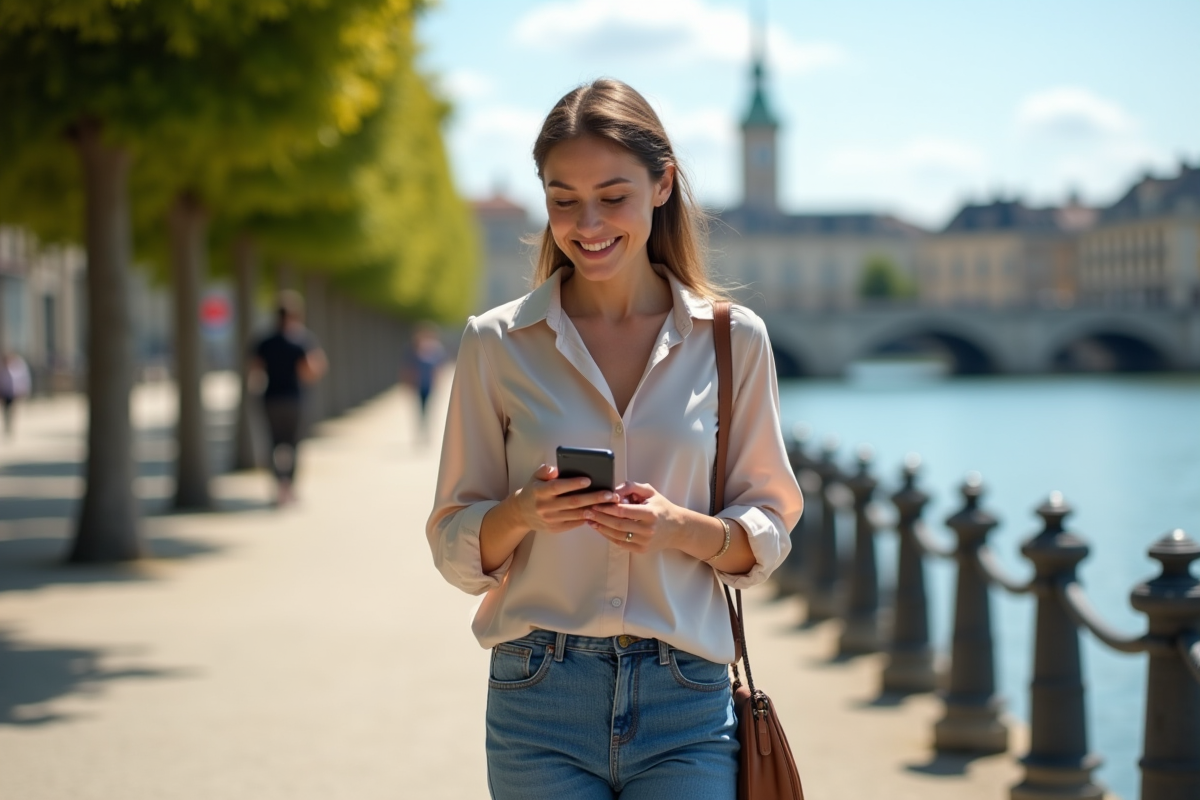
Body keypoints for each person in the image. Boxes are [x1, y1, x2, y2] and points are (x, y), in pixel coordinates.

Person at [426, 79, 803, 799]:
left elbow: (771, 523)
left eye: (613, 195)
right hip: (538, 693)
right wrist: (521, 514)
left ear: (662, 185)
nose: (587, 222)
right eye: (562, 198)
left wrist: (680, 528)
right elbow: (451, 539)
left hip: (686, 695)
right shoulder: (497, 343)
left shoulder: (732, 341)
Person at [249, 291, 327, 506]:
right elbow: (312, 370)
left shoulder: (264, 341)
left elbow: (255, 370)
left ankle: (278, 486)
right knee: (294, 445)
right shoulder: (302, 340)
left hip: (271, 398)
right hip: (294, 399)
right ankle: (289, 488)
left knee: (273, 444)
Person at [402, 323, 445, 443]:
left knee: (429, 408)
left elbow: (439, 367)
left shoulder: (436, 349)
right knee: (420, 408)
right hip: (418, 384)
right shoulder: (412, 349)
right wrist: (407, 382)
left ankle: (426, 432)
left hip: (429, 384)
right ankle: (421, 431)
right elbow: (407, 367)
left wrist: (439, 382)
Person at [0, 351, 31, 437]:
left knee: (12, 410)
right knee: (5, 410)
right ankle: (6, 424)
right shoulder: (2, 370)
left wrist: (22, 391)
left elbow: (22, 381)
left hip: (13, 393)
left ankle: (11, 425)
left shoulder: (16, 368)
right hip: (4, 392)